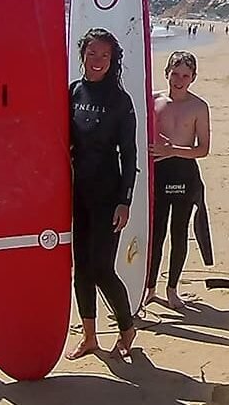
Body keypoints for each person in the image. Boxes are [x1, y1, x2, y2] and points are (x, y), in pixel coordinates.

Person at [66, 28, 140, 359]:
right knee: (80, 267)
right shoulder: (73, 92)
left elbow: (130, 154)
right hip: (76, 194)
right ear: (82, 56)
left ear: (113, 60)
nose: (98, 61)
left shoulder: (120, 101)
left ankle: (127, 327)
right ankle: (89, 336)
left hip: (109, 196)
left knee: (102, 269)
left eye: (104, 56)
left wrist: (125, 200)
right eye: (92, 54)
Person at [145, 50, 213, 311]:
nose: (179, 79)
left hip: (184, 172)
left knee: (179, 233)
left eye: (185, 75)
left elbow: (203, 149)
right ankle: (150, 288)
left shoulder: (198, 107)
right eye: (175, 74)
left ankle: (172, 289)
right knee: (156, 233)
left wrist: (173, 150)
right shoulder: (153, 100)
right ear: (167, 73)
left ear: (193, 77)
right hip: (159, 173)